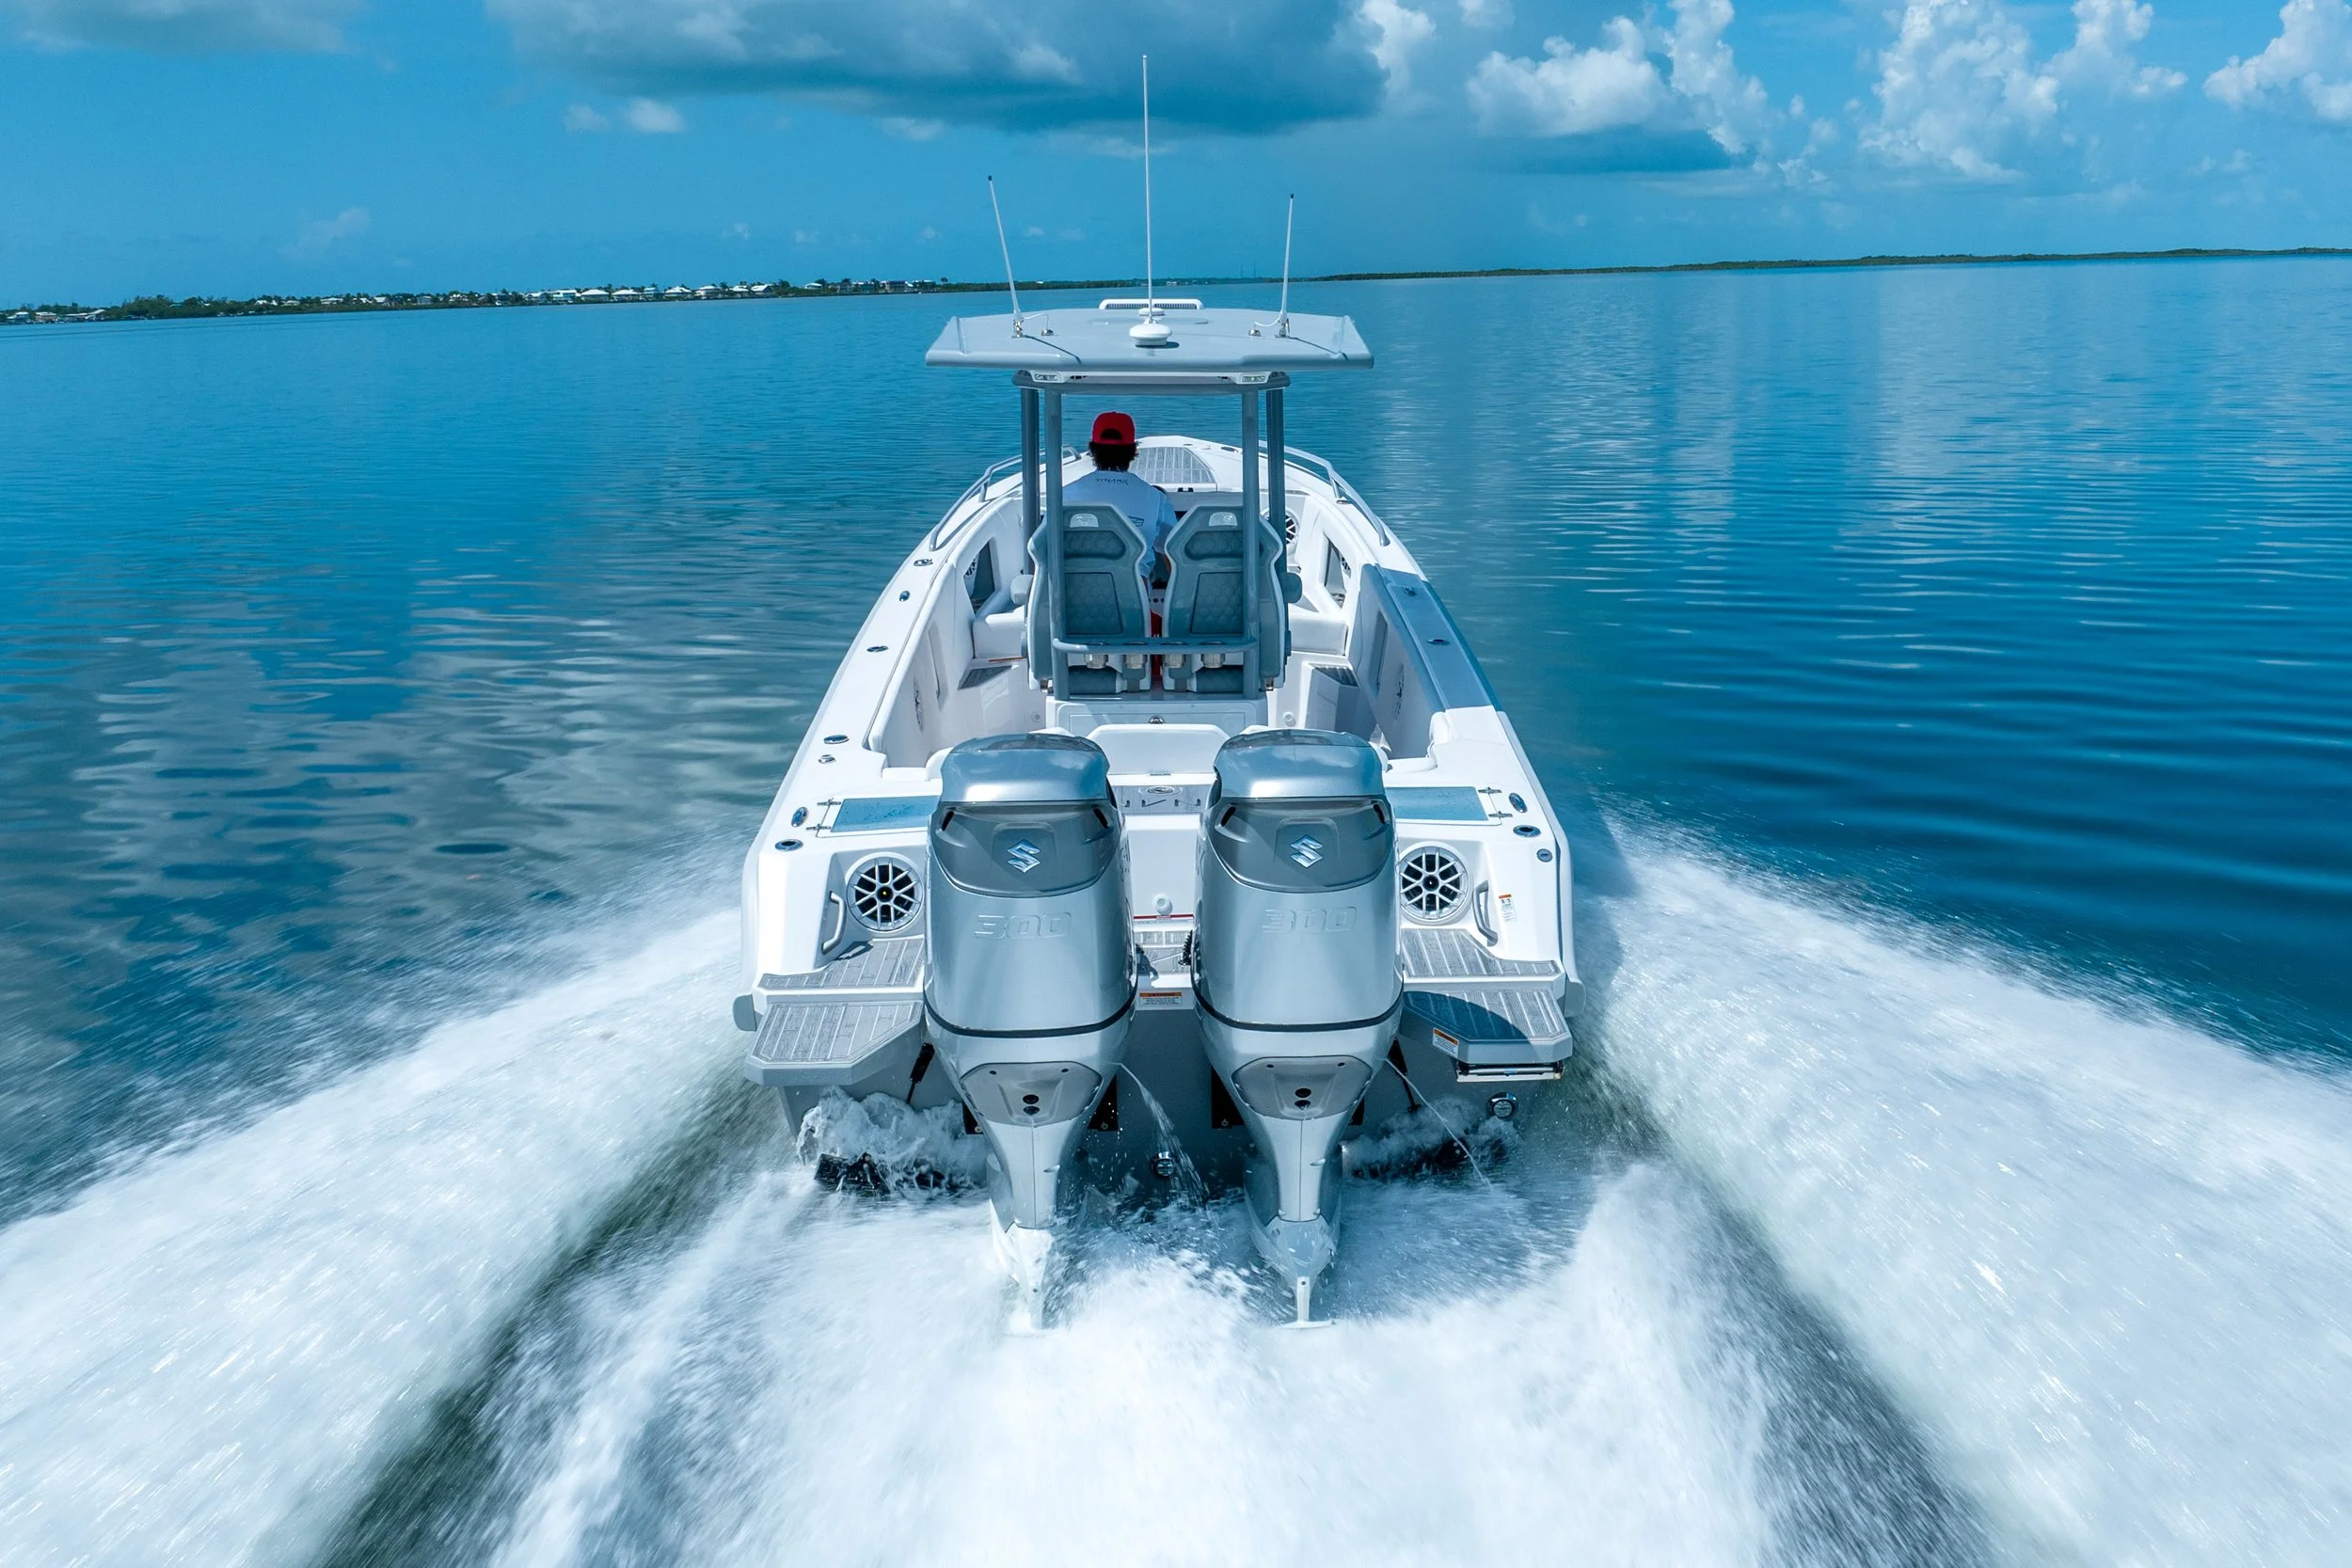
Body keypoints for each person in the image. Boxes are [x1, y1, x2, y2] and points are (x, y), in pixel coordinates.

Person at [1062, 410, 1178, 574]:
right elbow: (1175, 553)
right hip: (1132, 594)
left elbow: (1041, 549)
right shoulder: (1155, 498)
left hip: (1072, 593)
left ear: (1093, 450)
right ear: (1132, 451)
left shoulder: (1064, 496)